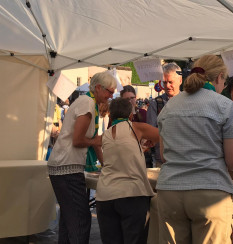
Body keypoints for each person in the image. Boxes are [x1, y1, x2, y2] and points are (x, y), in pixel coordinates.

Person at [156, 55, 233, 244]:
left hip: (170, 191)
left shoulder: (169, 106)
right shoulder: (224, 105)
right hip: (209, 192)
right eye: (224, 81)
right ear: (219, 77)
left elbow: (164, 155)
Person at [47, 71, 116, 244]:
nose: (111, 95)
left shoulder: (88, 102)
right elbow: (78, 140)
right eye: (109, 91)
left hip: (63, 166)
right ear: (98, 88)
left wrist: (105, 164)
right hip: (66, 167)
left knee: (69, 218)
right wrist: (96, 142)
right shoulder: (87, 103)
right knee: (80, 218)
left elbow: (93, 141)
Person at [96, 97, 159, 244]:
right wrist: (152, 142)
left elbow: (101, 146)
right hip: (132, 194)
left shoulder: (106, 134)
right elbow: (162, 135)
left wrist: (141, 147)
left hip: (105, 196)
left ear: (110, 116)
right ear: (131, 115)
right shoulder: (136, 127)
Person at [146, 62, 182, 167]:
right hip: (163, 161)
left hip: (185, 161)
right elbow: (150, 133)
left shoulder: (190, 102)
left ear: (180, 80)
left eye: (170, 82)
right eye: (165, 82)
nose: (167, 86)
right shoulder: (155, 104)